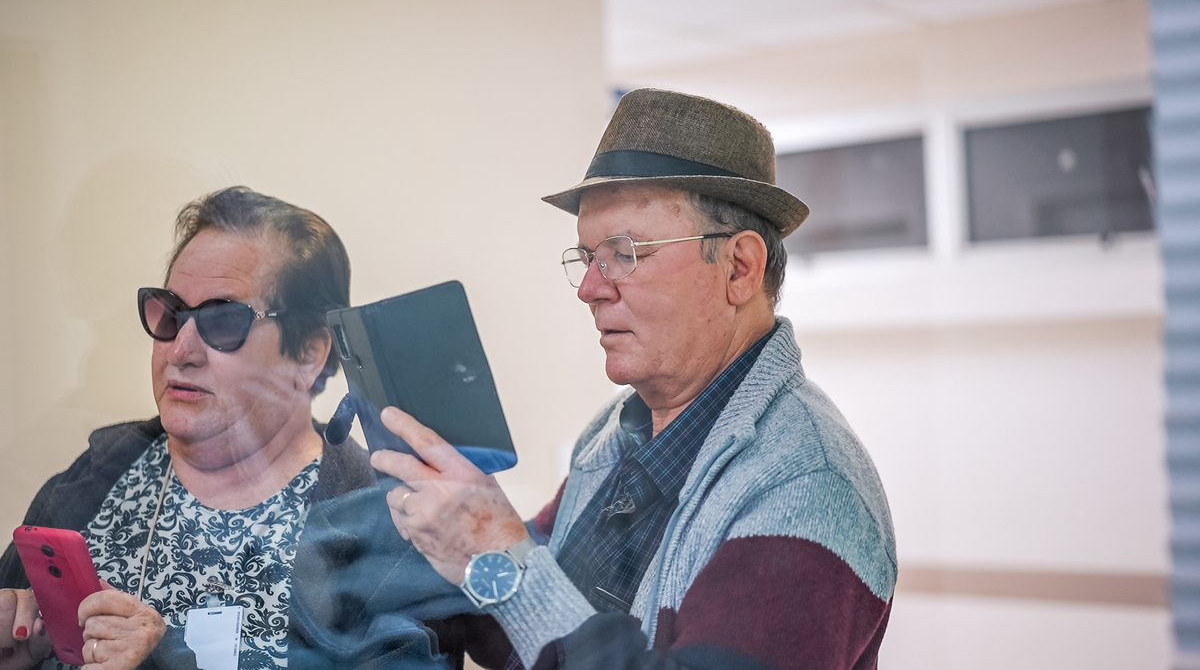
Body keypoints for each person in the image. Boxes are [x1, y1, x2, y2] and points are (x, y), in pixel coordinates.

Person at [371, 88, 897, 669]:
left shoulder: (806, 485)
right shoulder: (613, 433)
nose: (589, 288)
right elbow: (529, 638)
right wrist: (446, 535)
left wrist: (499, 554)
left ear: (740, 269)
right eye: (587, 257)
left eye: (624, 253)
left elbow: (527, 593)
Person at [0, 187, 385, 669]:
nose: (180, 350)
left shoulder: (376, 524)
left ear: (308, 354)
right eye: (171, 313)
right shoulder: (95, 475)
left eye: (222, 321)